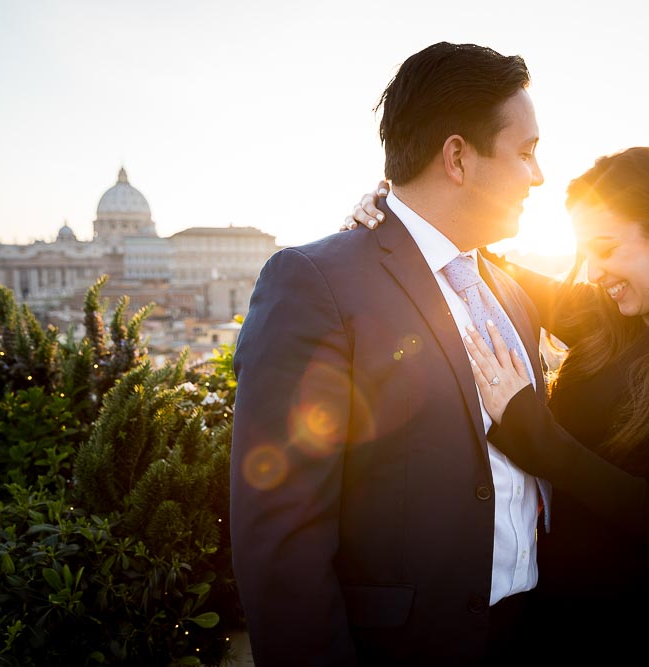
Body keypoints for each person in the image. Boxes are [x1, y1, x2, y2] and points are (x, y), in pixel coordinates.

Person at [347, 146, 649, 663]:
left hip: (617, 636)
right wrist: (395, 218)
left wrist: (527, 422)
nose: (594, 272)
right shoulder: (602, 320)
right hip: (527, 622)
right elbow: (473, 263)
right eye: (585, 253)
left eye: (607, 248)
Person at [230, 42, 551, 665]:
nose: (538, 175)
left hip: (528, 636)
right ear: (457, 157)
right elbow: (281, 536)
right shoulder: (315, 283)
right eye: (527, 151)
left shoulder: (511, 293)